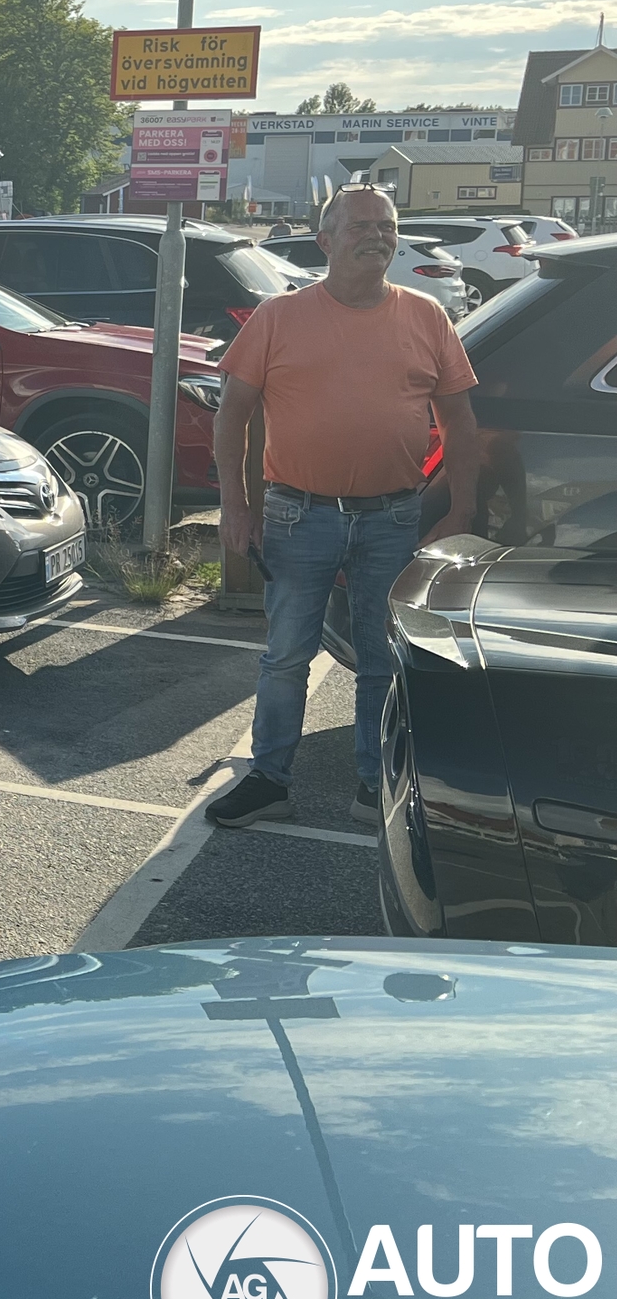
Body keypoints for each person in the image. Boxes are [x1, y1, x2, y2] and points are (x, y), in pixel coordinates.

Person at [206, 185, 479, 831]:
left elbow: (462, 421)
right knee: (285, 657)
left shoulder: (426, 315)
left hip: (392, 518)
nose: (377, 235)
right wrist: (235, 508)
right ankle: (269, 778)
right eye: (361, 225)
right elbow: (234, 414)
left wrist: (461, 508)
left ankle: (371, 783)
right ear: (325, 240)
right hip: (298, 515)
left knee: (382, 660)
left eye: (387, 226)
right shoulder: (278, 317)